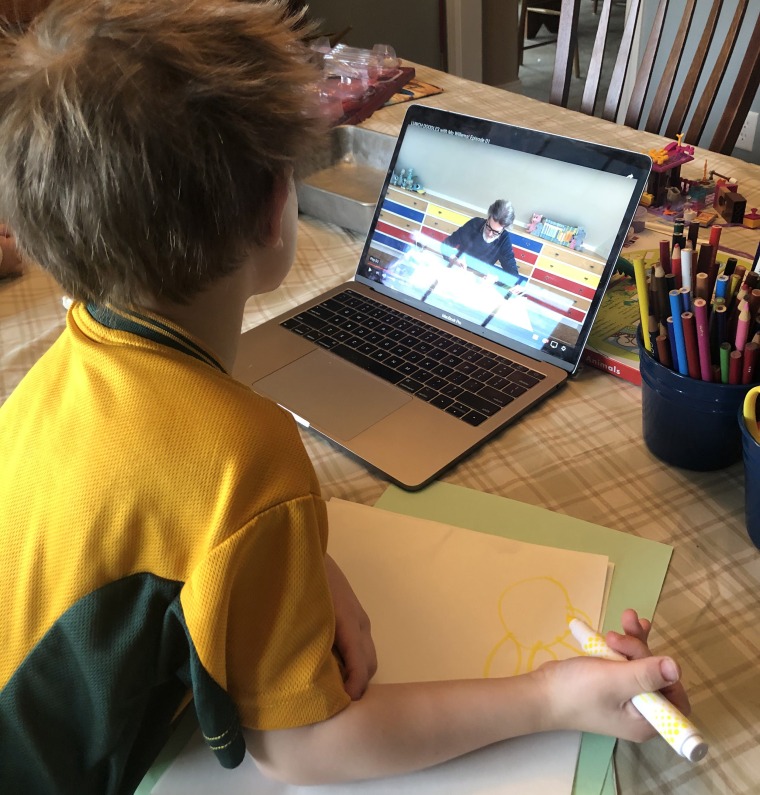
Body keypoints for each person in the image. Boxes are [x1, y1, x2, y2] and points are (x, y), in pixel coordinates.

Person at [0, 1, 690, 793]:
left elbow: (167, 526)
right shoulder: (243, 452)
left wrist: (296, 564)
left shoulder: (67, 359)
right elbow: (303, 750)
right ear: (273, 210)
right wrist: (550, 694)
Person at [442, 199, 519, 277]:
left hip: (478, 279)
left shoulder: (504, 239)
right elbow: (446, 244)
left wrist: (496, 278)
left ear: (504, 229)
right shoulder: (474, 224)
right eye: (489, 227)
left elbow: (512, 273)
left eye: (496, 232)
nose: (490, 234)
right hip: (457, 270)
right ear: (488, 218)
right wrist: (453, 258)